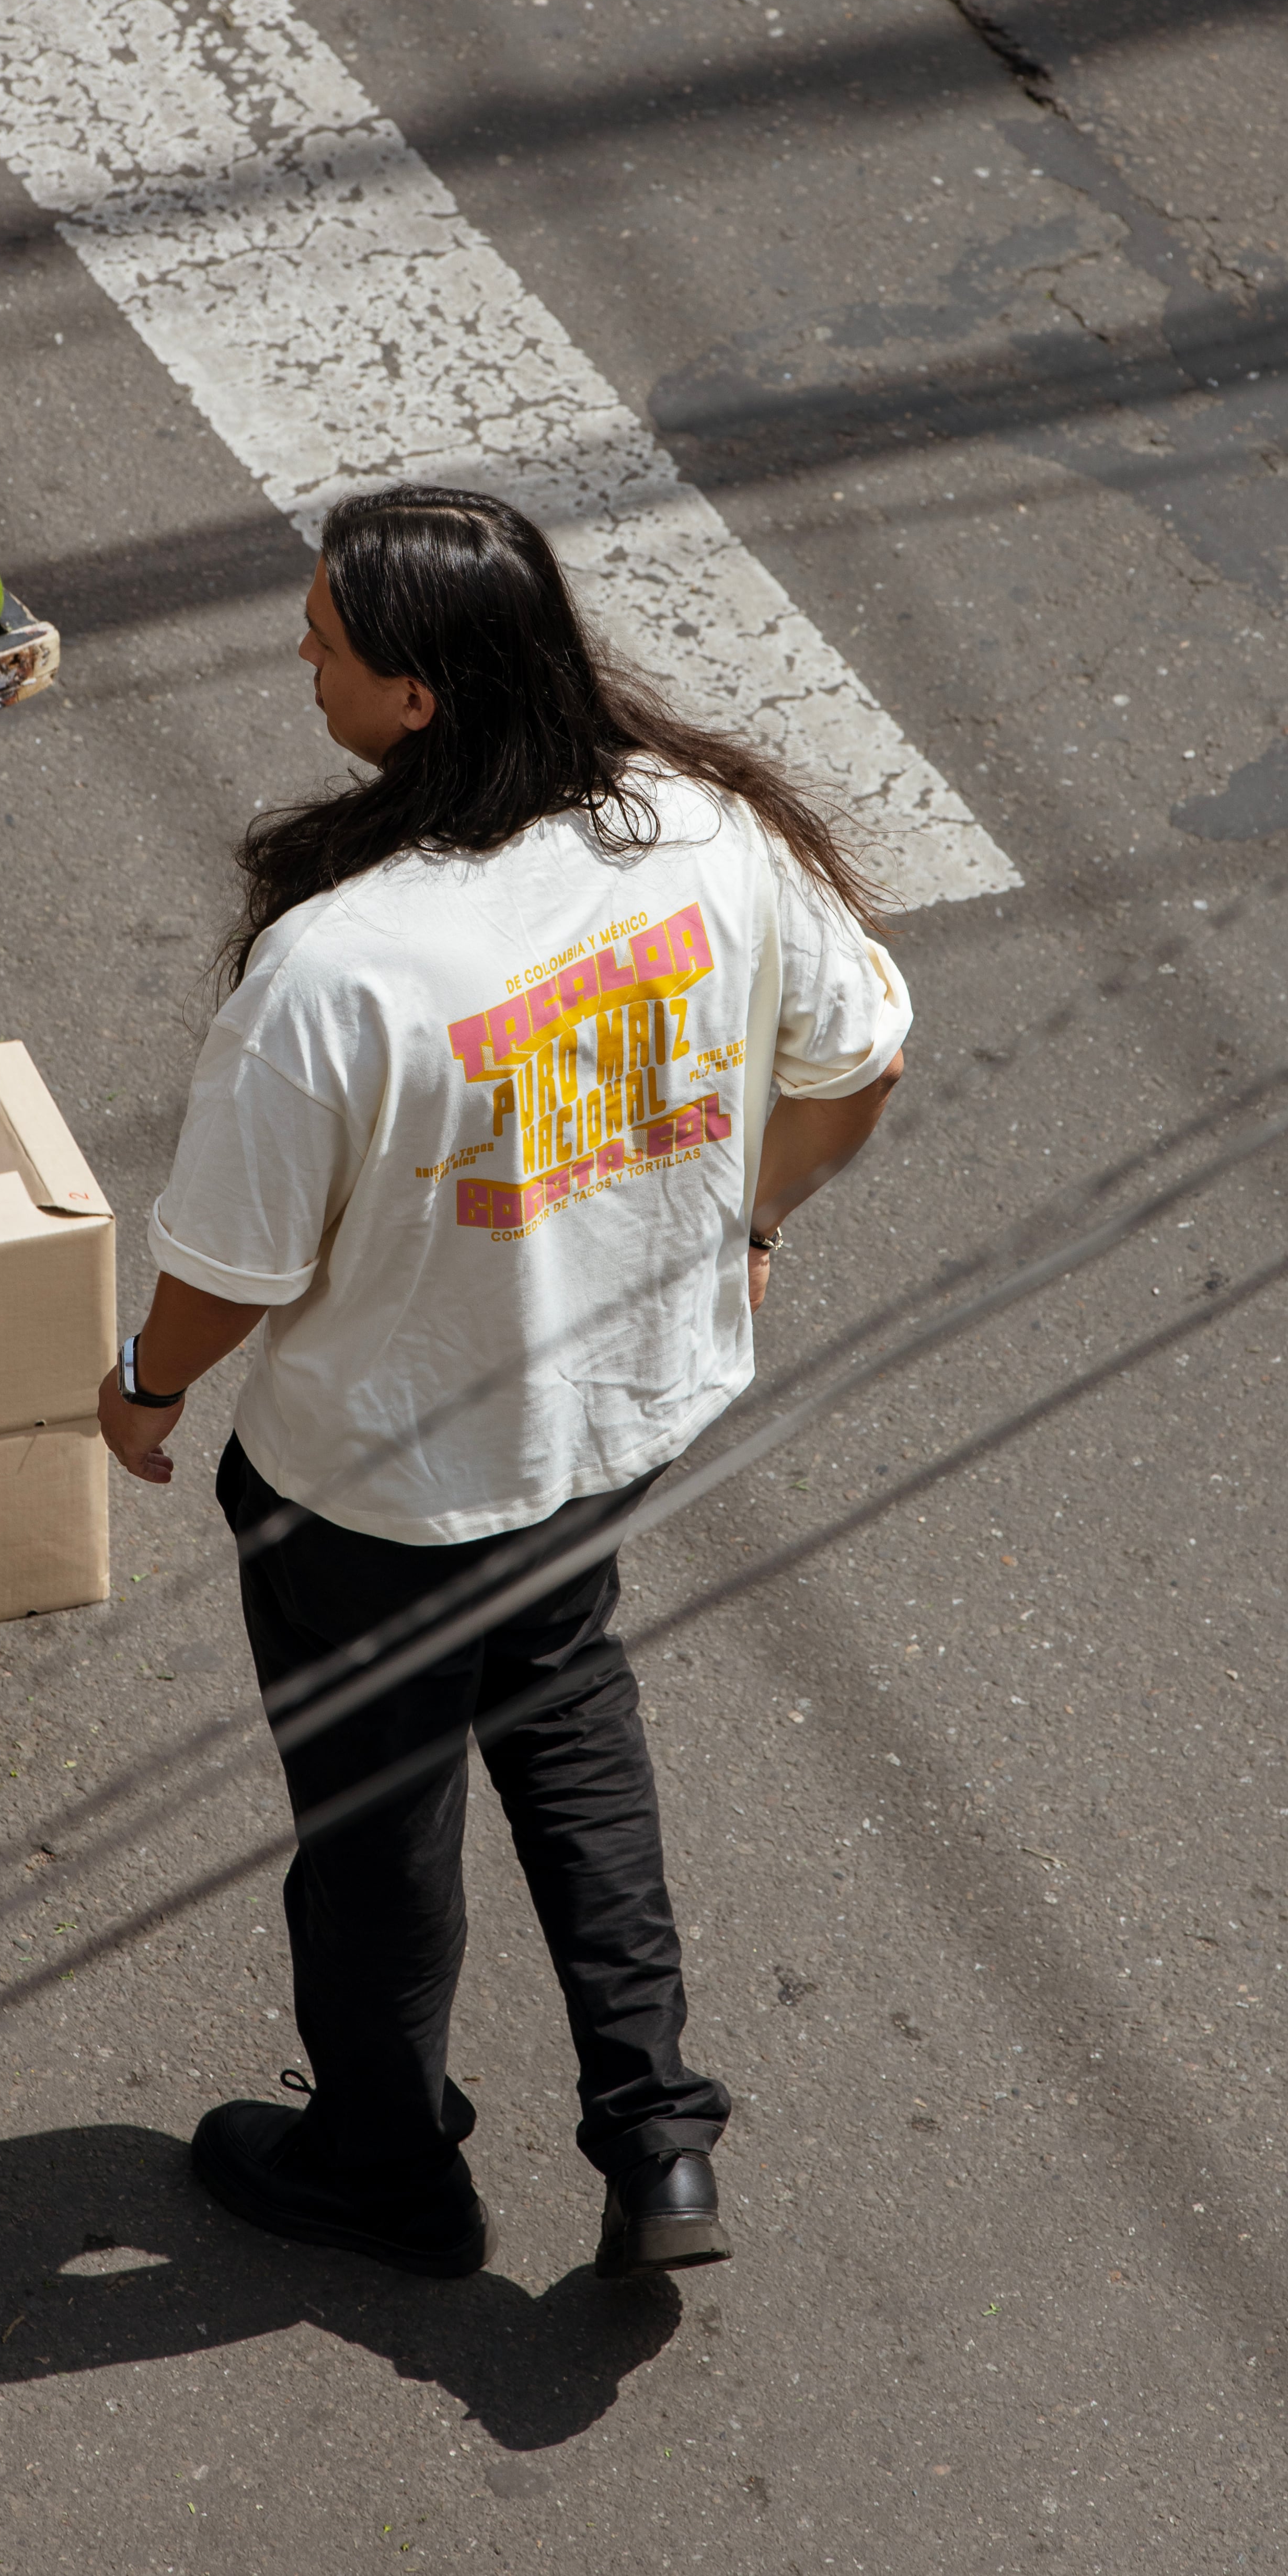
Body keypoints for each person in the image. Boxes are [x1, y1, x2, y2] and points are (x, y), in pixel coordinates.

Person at [96, 485, 909, 2281]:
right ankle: (657, 2137)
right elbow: (862, 1058)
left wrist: (144, 1391)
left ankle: (386, 2169)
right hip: (608, 1426)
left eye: (327, 644)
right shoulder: (705, 830)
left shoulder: (341, 968)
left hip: (373, 1492)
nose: (300, 661)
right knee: (566, 1715)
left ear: (420, 698)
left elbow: (231, 1271)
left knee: (377, 1831)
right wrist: (753, 1219)